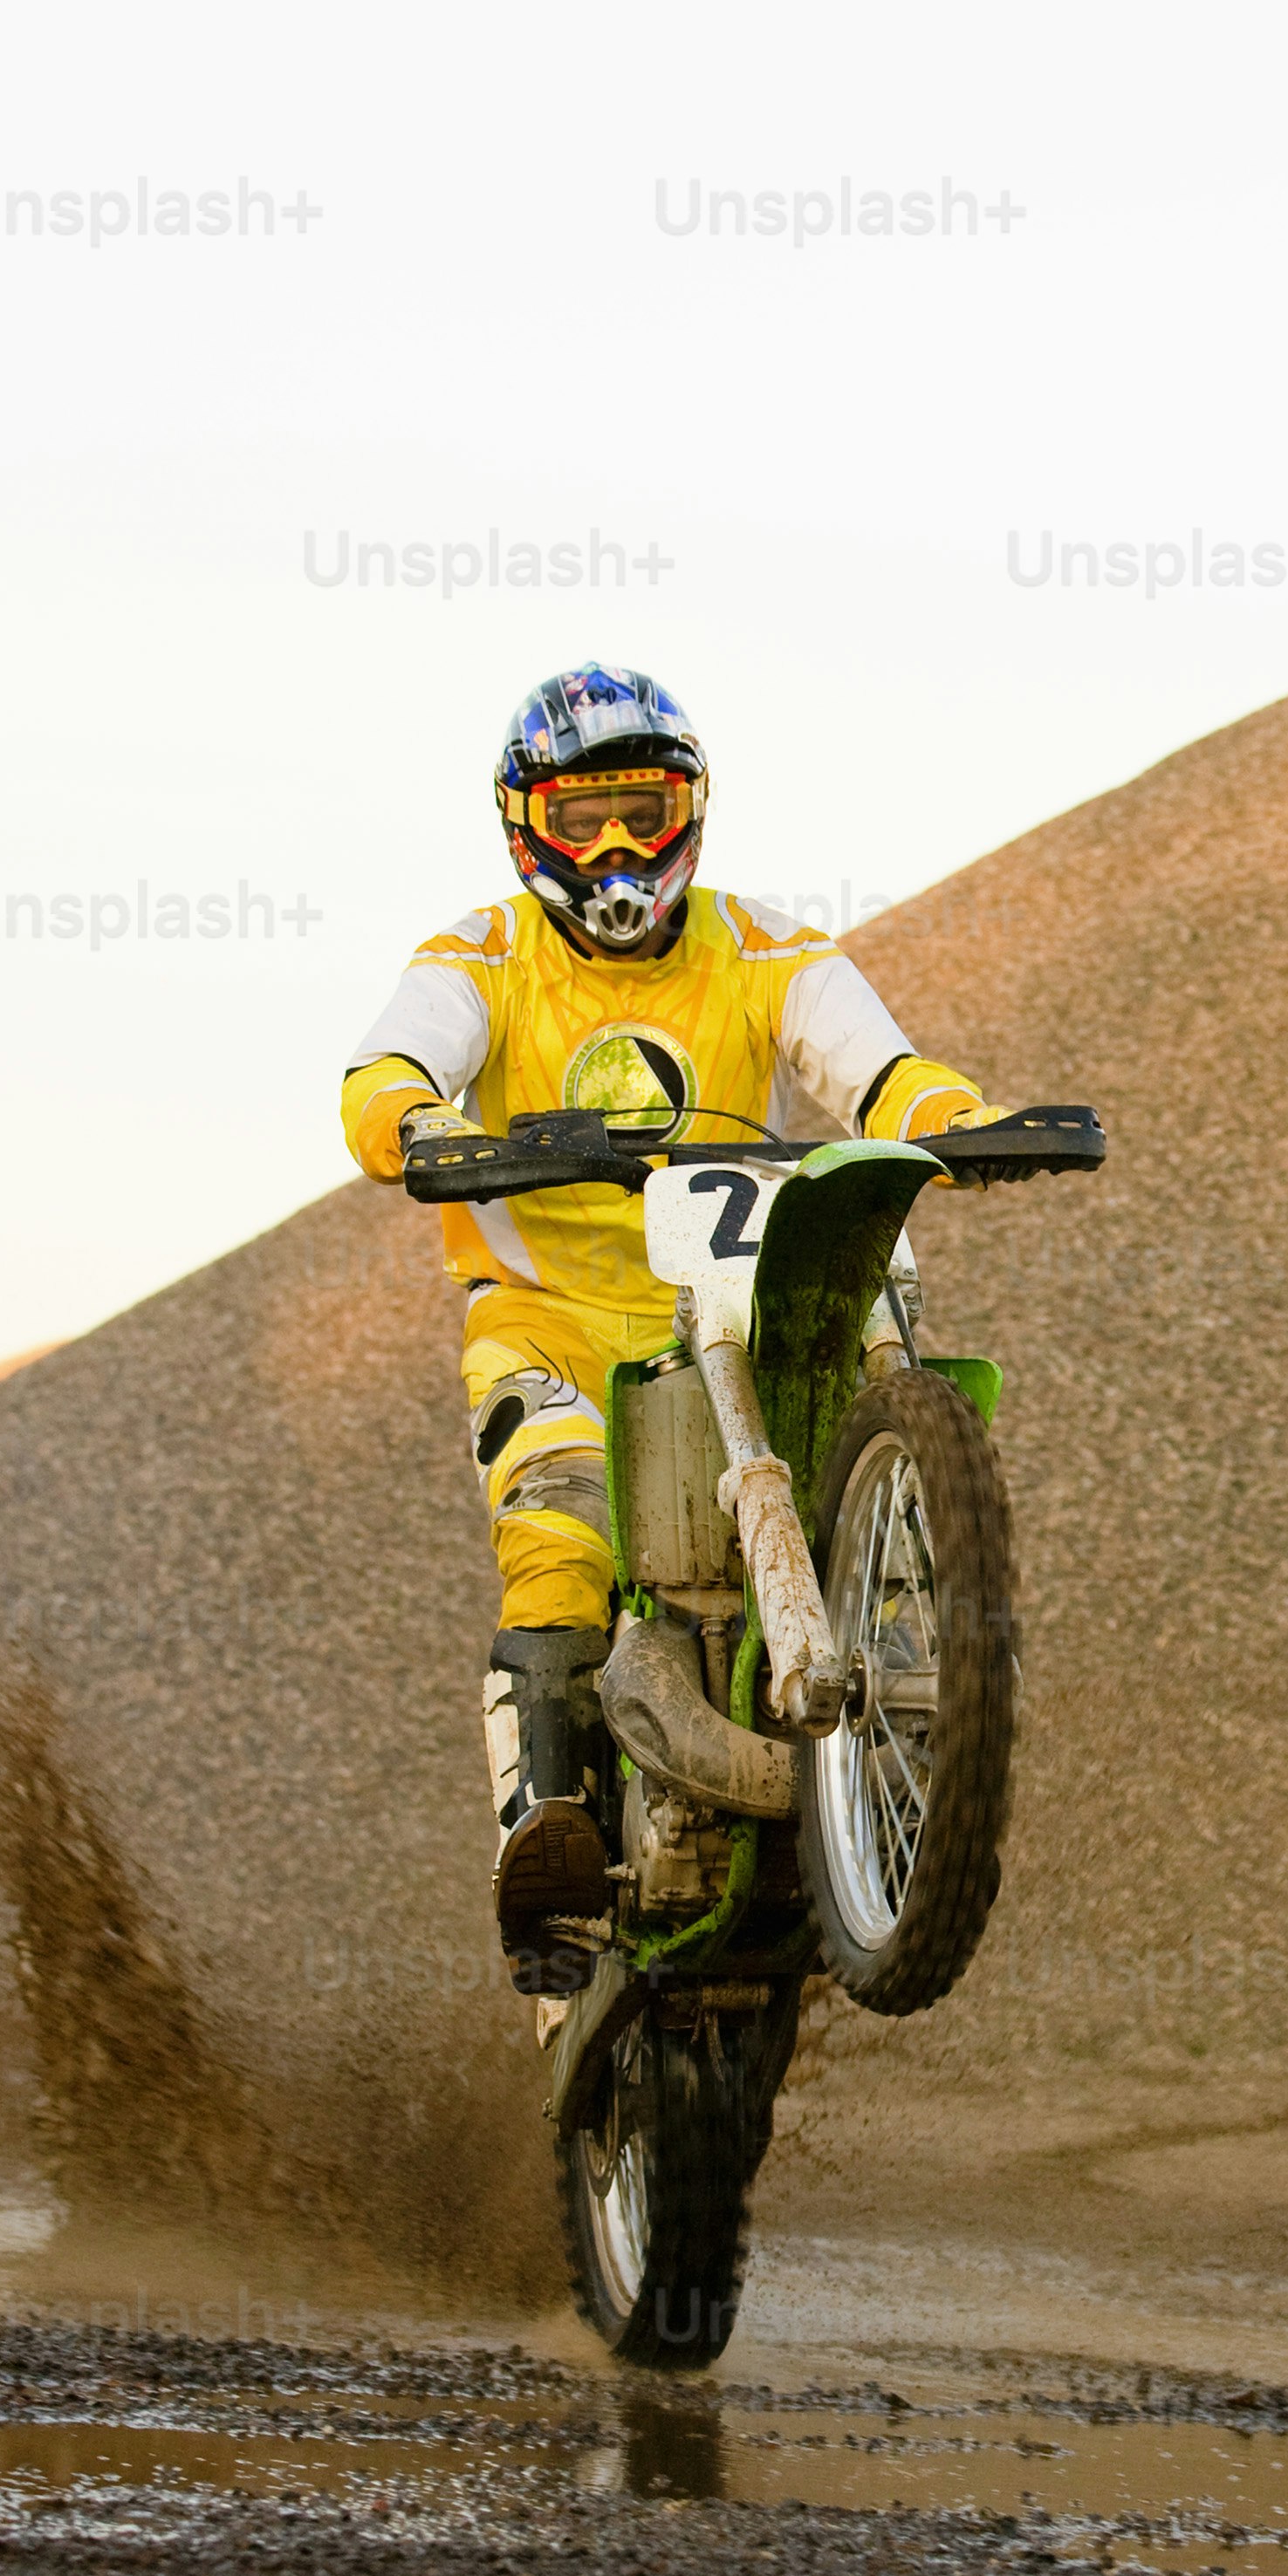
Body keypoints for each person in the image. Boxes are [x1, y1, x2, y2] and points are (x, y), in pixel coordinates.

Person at [340, 662, 994, 1977]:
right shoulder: (479, 959)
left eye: (645, 809)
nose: (623, 847)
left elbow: (877, 1064)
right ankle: (549, 1846)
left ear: (691, 809)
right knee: (560, 1545)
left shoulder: (765, 949)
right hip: (552, 1324)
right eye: (588, 819)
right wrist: (416, 1122)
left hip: (735, 1307)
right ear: (531, 827)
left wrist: (950, 1117)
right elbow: (389, 1066)